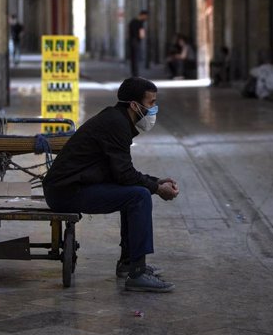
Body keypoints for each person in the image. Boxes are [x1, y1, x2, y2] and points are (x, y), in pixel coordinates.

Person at [43, 77, 180, 293]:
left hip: (71, 187)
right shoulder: (116, 124)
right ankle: (137, 273)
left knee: (137, 192)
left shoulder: (117, 119)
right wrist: (155, 189)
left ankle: (129, 263)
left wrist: (155, 182)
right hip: (66, 192)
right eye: (151, 103)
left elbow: (121, 172)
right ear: (135, 105)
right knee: (139, 196)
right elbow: (125, 175)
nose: (154, 109)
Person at [128, 10, 148, 77]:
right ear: (142, 15)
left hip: (131, 41)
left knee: (133, 58)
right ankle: (136, 73)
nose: (146, 18)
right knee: (136, 57)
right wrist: (142, 36)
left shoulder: (132, 22)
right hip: (136, 41)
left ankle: (134, 72)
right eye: (145, 16)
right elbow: (142, 34)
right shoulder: (140, 23)